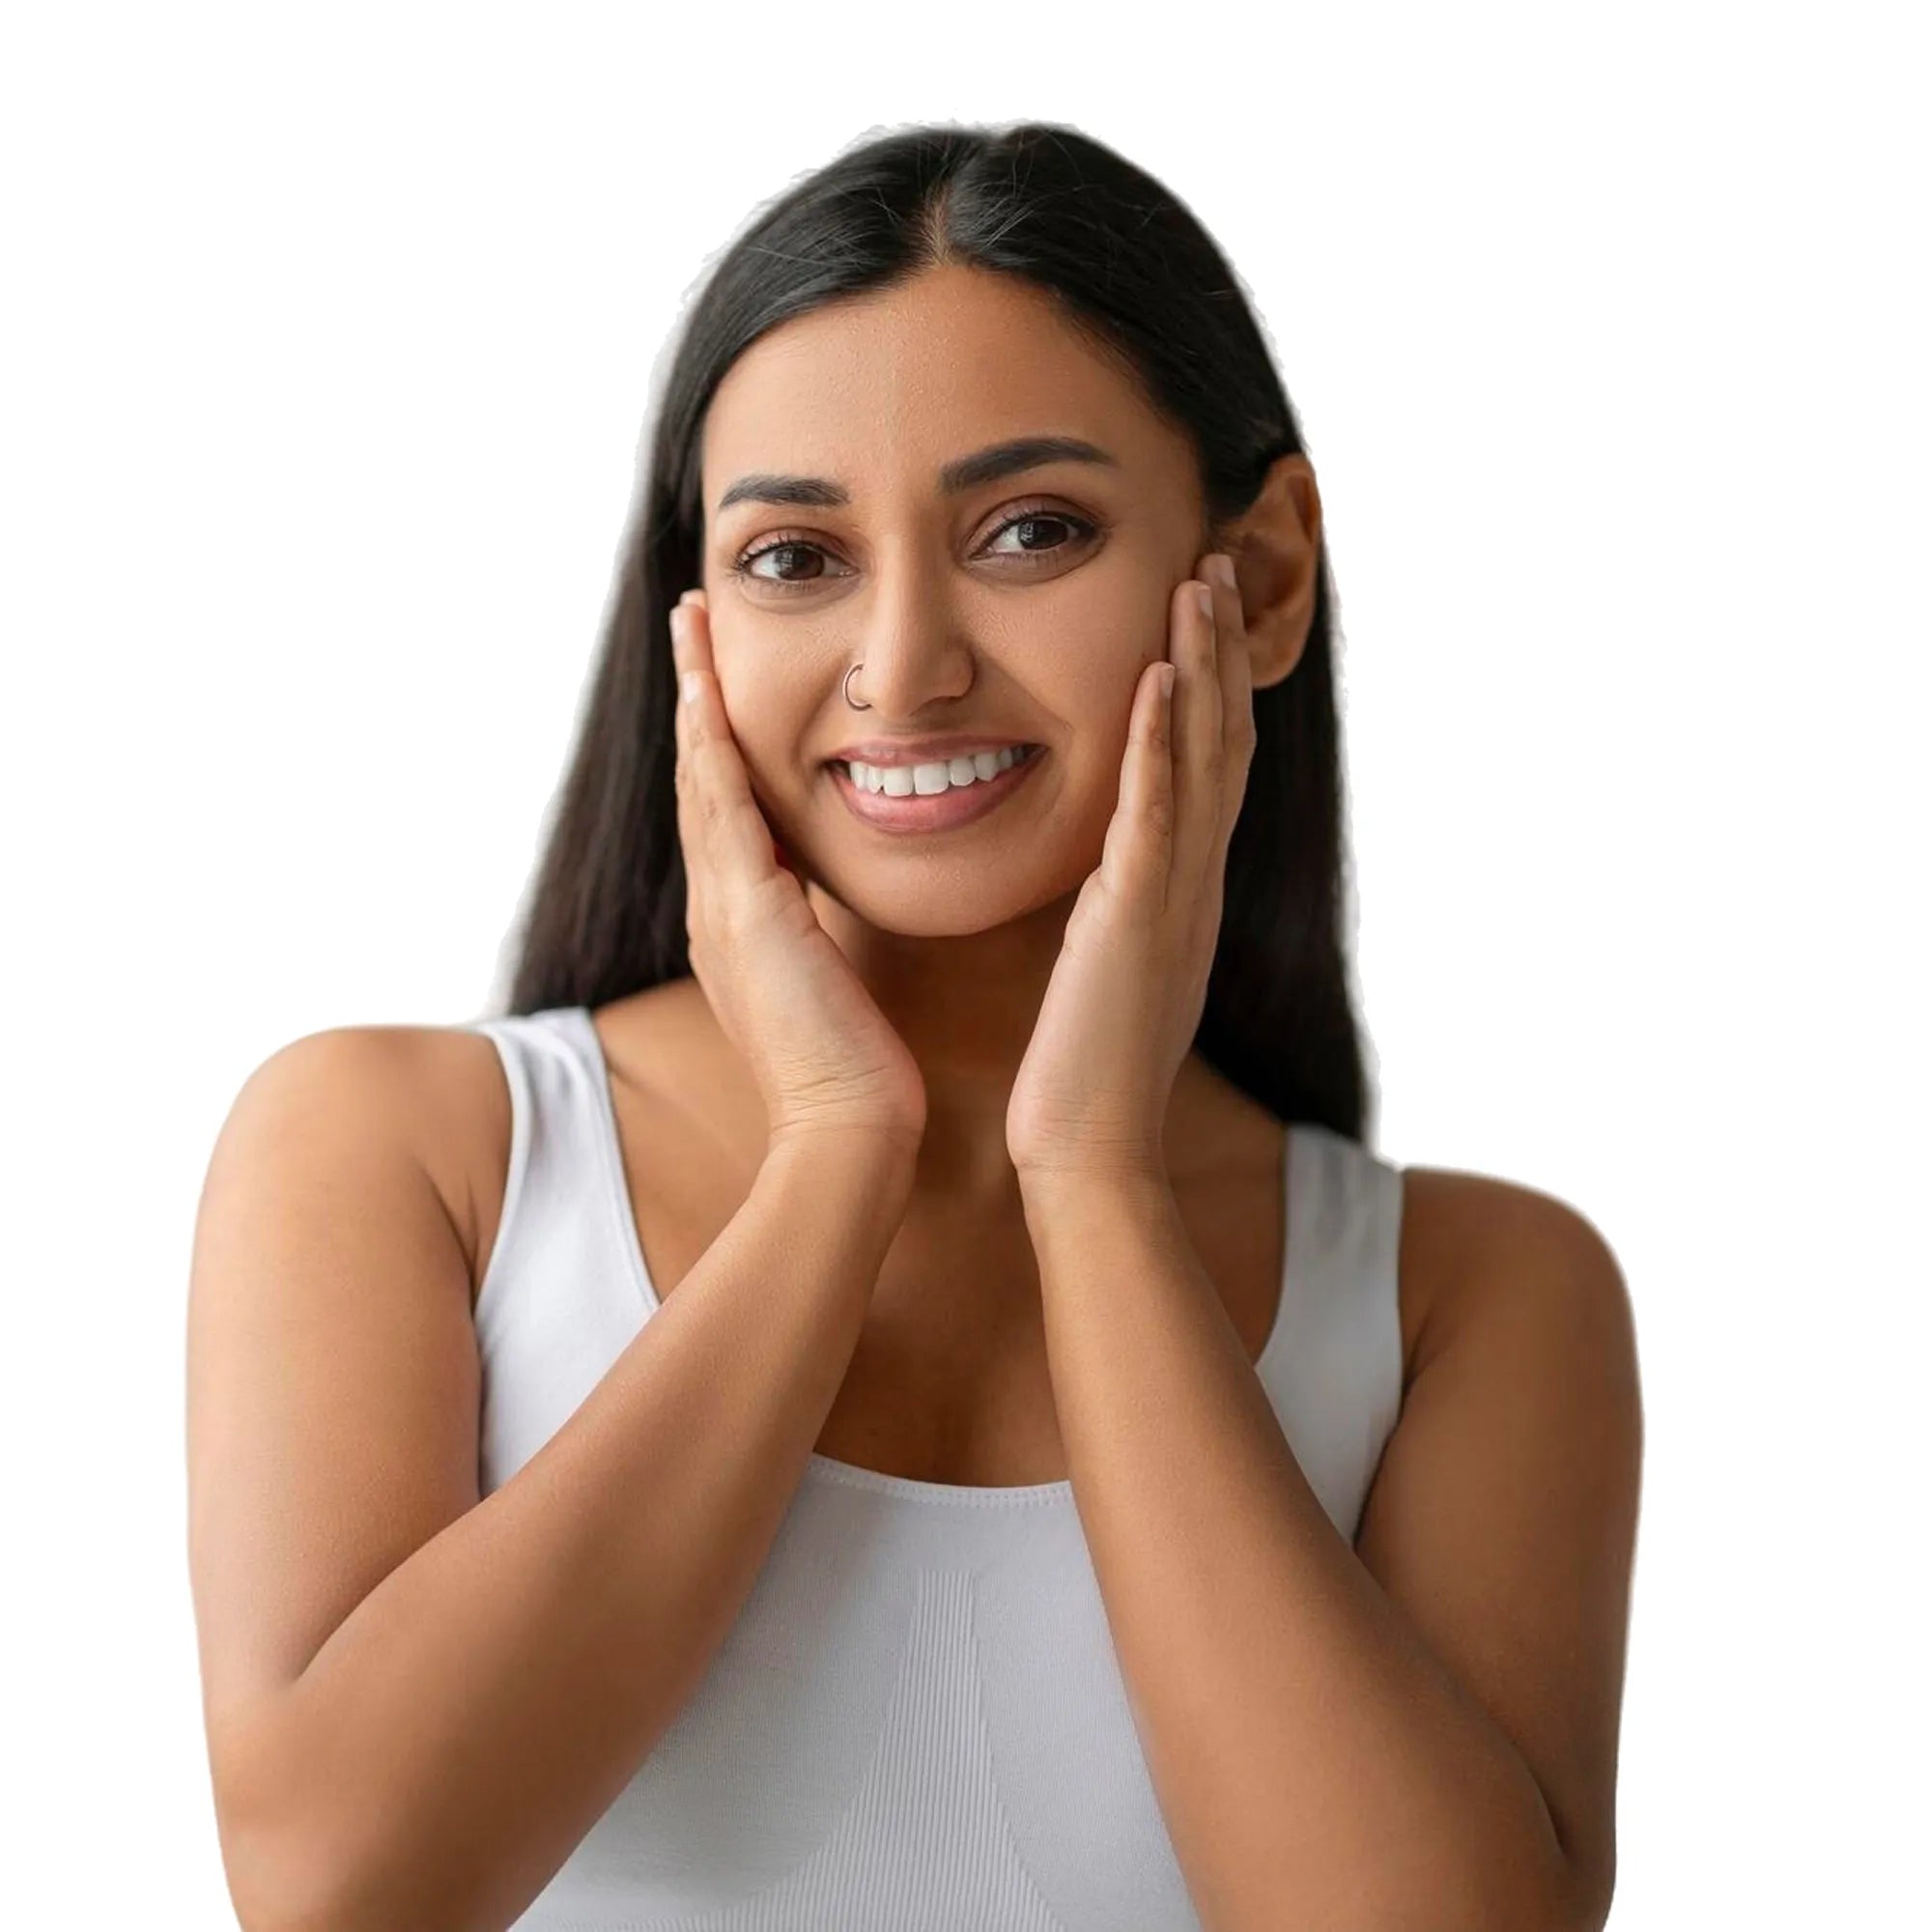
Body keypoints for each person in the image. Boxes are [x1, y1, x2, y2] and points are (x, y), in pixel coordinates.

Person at [185, 121, 1642, 1931]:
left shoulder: (1473, 1295)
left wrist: (1093, 1178)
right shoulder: (405, 1151)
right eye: (798, 557)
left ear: (1261, 577)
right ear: (695, 622)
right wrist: (831, 1149)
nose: (903, 665)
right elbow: (342, 1890)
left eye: (1031, 530)